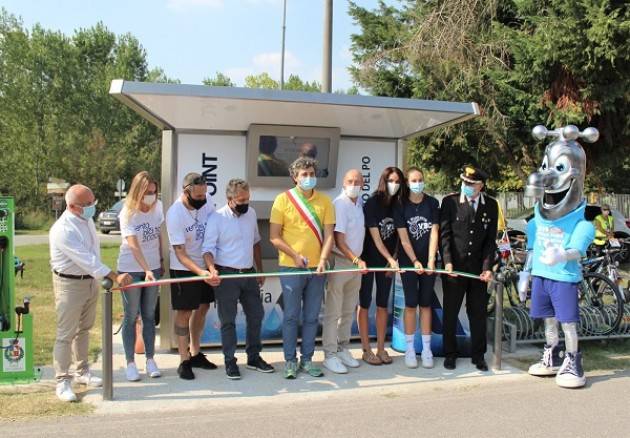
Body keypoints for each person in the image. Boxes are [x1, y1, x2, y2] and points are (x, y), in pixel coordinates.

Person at [518, 124, 597, 388]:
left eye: (560, 168)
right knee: (548, 320)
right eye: (546, 166)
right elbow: (532, 249)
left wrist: (562, 255)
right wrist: (525, 274)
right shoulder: (535, 223)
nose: (548, 175)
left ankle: (574, 361)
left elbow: (578, 250)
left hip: (563, 278)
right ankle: (551, 356)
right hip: (541, 276)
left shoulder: (582, 224)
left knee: (568, 323)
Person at [50, 184, 132, 402]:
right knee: (66, 334)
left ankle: (82, 371)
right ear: (72, 206)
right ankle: (62, 380)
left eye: (92, 203)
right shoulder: (63, 229)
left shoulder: (85, 221)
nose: (91, 207)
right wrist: (115, 276)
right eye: (87, 205)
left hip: (90, 282)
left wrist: (102, 277)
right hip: (69, 284)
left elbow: (93, 257)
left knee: (84, 330)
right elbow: (87, 260)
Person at [269, 156, 335, 379]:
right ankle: (290, 361)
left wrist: (324, 259)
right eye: (304, 175)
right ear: (294, 177)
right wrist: (295, 256)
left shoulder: (325, 201)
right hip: (290, 267)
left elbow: (329, 236)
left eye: (312, 174)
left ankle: (307, 360)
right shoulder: (282, 200)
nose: (309, 178)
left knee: (311, 317)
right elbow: (274, 237)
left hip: (317, 270)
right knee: (290, 316)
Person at [202, 179, 274, 379]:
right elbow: (207, 250)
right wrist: (211, 269)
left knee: (256, 315)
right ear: (229, 199)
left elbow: (256, 243)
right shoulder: (216, 218)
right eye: (241, 200)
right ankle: (230, 361)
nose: (245, 203)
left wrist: (260, 270)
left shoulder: (250, 214)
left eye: (248, 199)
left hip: (249, 274)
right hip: (227, 275)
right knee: (228, 321)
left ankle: (253, 357)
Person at [440, 165, 498, 372]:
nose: (467, 186)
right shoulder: (450, 202)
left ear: (481, 186)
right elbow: (445, 236)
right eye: (465, 182)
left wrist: (487, 267)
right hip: (454, 269)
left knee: (478, 313)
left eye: (471, 184)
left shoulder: (491, 205)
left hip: (477, 272)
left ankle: (478, 355)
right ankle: (450, 354)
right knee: (450, 312)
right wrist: (447, 261)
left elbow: (490, 241)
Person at [165, 172, 217, 380]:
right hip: (184, 267)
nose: (202, 200)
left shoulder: (207, 201)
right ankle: (183, 359)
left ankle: (196, 353)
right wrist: (200, 272)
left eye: (204, 196)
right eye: (197, 198)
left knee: (203, 308)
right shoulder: (174, 214)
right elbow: (179, 252)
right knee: (184, 312)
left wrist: (210, 266)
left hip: (205, 263)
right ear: (186, 192)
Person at [116, 171, 163, 381]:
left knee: (149, 316)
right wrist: (146, 269)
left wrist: (161, 263)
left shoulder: (158, 207)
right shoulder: (127, 213)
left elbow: (160, 236)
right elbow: (134, 246)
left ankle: (150, 359)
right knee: (131, 315)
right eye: (147, 193)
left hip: (154, 269)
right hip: (131, 269)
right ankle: (130, 363)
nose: (151, 196)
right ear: (138, 192)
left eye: (154, 192)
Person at [358, 167, 405, 366]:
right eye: (391, 180)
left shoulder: (399, 204)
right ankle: (366, 349)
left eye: (397, 181)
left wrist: (392, 260)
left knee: (382, 304)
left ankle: (380, 348)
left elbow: (399, 238)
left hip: (387, 264)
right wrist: (392, 260)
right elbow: (376, 239)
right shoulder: (372, 203)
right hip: (368, 261)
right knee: (364, 302)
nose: (394, 185)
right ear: (383, 181)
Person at [394, 167, 440, 369]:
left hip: (428, 261)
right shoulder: (400, 205)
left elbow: (434, 232)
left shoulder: (432, 203)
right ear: (407, 183)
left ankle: (427, 349)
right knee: (411, 304)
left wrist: (430, 260)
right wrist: (414, 261)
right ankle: (411, 349)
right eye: (414, 180)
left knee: (426, 304)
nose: (418, 183)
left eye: (420, 179)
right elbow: (403, 238)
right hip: (408, 262)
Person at [322, 169, 366, 374]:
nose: (354, 184)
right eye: (350, 180)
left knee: (348, 310)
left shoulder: (359, 204)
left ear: (363, 183)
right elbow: (338, 239)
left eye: (357, 181)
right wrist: (356, 260)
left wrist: (357, 262)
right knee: (333, 311)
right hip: (341, 262)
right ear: (343, 182)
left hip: (355, 266)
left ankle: (342, 348)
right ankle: (329, 354)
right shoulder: (339, 204)